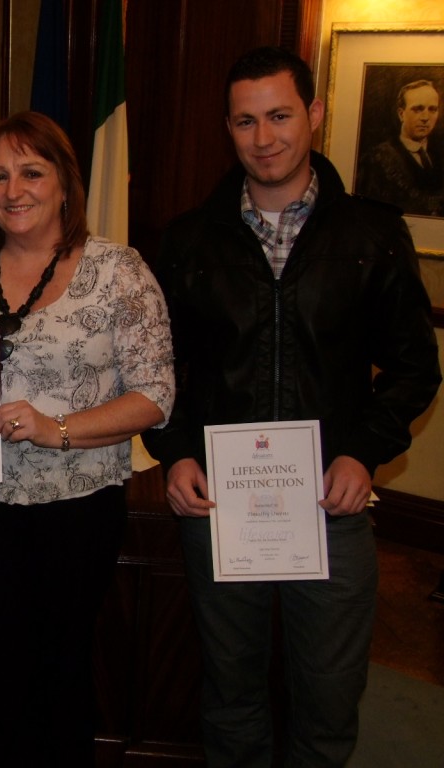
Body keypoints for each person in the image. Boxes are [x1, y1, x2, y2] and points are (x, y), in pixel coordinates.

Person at [141, 47, 442, 767]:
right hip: (222, 504)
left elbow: (413, 369)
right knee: (232, 690)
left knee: (330, 694)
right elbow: (157, 368)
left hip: (330, 505)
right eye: (246, 121)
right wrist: (176, 450)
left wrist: (362, 451)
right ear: (228, 128)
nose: (264, 137)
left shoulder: (371, 234)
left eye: (280, 115)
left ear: (313, 114)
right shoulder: (187, 240)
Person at [0, 111, 175, 768]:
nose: (14, 190)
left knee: (59, 672)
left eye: (32, 172)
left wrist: (56, 428)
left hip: (77, 509)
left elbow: (156, 396)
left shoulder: (120, 272)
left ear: (65, 181)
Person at [355, 78, 443, 216]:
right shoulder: (376, 160)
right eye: (417, 109)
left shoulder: (439, 155)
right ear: (401, 114)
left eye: (432, 109)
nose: (426, 117)